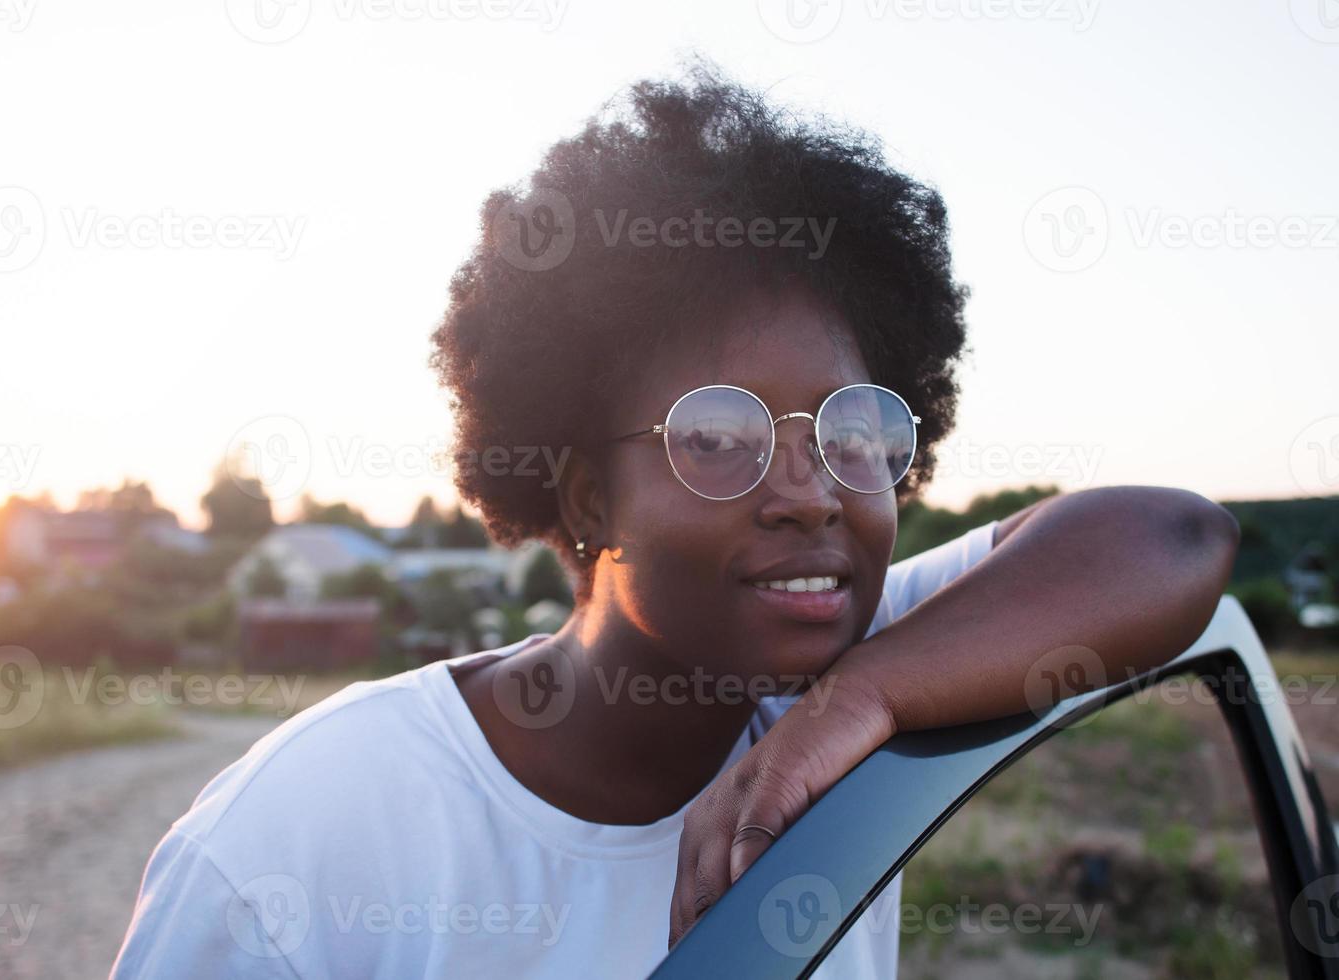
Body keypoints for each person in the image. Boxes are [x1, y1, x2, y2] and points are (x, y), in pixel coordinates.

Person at [111, 63, 1238, 978]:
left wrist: (863, 698)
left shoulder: (867, 680)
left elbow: (1173, 539)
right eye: (717, 436)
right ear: (588, 496)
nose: (809, 487)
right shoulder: (308, 832)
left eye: (848, 427)